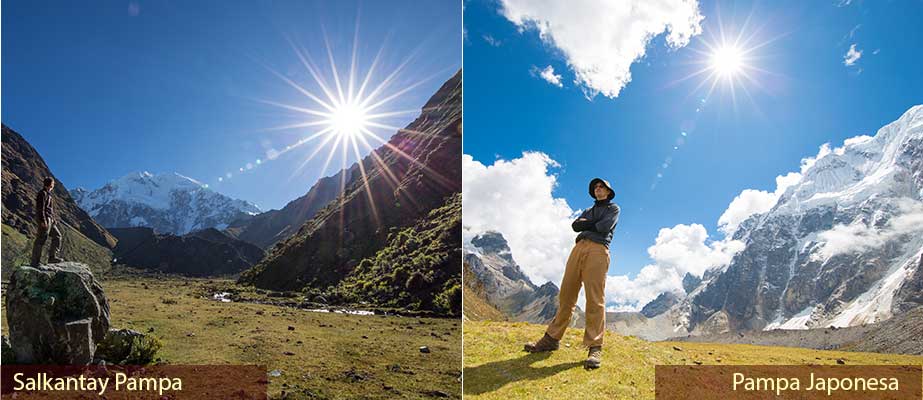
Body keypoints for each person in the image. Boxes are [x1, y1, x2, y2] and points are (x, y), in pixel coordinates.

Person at [524, 177, 620, 369]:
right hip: (578, 249)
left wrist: (587, 223)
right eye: (596, 187)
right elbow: (575, 226)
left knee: (595, 298)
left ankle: (595, 346)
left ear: (609, 192)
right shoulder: (588, 210)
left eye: (602, 187)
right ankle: (551, 339)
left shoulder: (613, 209)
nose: (598, 190)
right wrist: (589, 222)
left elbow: (603, 227)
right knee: (566, 294)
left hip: (598, 250)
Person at [31, 177, 63, 266]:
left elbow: (49, 209)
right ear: (50, 184)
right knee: (41, 240)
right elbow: (40, 209)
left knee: (57, 236)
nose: (54, 185)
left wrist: (53, 219)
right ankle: (35, 262)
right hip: (45, 220)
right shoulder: (42, 194)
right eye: (53, 184)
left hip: (50, 220)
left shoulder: (48, 194)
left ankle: (52, 258)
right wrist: (43, 221)